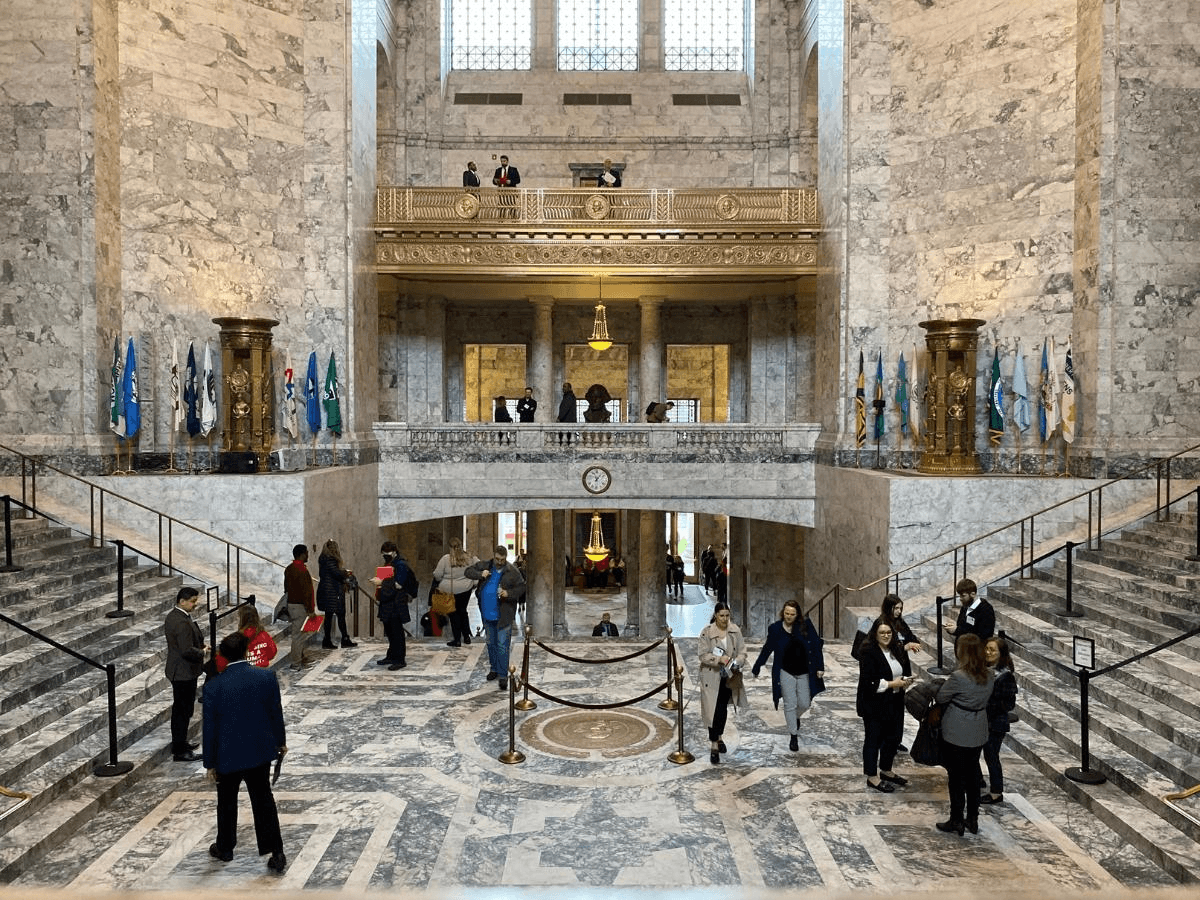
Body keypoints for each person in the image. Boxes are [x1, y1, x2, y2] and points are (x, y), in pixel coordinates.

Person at [202, 631, 287, 874]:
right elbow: (275, 714)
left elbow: (210, 729)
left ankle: (225, 848)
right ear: (246, 651)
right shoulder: (266, 677)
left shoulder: (214, 686)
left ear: (223, 656)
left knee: (226, 802)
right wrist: (280, 742)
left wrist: (209, 762)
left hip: (226, 754)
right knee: (263, 801)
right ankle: (277, 852)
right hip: (259, 751)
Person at [935, 633, 996, 835]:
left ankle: (956, 819)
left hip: (957, 730)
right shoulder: (990, 675)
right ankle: (973, 819)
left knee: (956, 776)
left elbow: (942, 696)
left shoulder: (958, 677)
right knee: (972, 775)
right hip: (978, 728)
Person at [752, 599, 826, 752]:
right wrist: (758, 665)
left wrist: (820, 666)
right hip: (785, 671)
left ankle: (795, 718)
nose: (789, 616)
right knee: (789, 704)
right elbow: (768, 648)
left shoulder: (805, 626)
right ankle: (793, 735)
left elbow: (816, 645)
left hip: (805, 671)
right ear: (782, 612)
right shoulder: (776, 629)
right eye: (786, 613)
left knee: (805, 703)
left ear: (797, 614)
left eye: (792, 614)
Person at [856, 617, 914, 792]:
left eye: (889, 632)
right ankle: (872, 776)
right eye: (882, 632)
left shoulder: (897, 649)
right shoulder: (868, 652)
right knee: (874, 739)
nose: (886, 635)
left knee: (894, 737)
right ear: (875, 634)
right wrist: (891, 684)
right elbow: (868, 682)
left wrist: (905, 680)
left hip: (895, 701)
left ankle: (886, 770)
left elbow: (904, 669)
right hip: (874, 703)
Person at [465, 546, 527, 689]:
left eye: (502, 560)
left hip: (503, 615)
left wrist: (508, 593)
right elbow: (468, 571)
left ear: (506, 558)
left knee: (502, 646)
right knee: (491, 643)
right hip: (487, 613)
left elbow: (522, 588)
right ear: (494, 556)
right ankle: (494, 669)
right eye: (497, 559)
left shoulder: (512, 571)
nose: (499, 562)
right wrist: (481, 574)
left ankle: (503, 675)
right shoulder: (485, 565)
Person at [698, 603, 747, 765]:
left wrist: (738, 661)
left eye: (727, 615)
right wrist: (719, 659)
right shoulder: (707, 632)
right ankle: (714, 745)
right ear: (716, 615)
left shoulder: (735, 630)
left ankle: (719, 738)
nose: (725, 619)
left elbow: (742, 651)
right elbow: (703, 655)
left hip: (729, 676)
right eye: (721, 616)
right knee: (714, 709)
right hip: (711, 677)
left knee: (722, 708)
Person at [165, 586, 205, 762]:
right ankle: (180, 750)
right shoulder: (180, 621)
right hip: (182, 671)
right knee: (182, 710)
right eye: (192, 601)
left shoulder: (177, 616)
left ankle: (181, 742)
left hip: (183, 670)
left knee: (184, 709)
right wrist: (203, 652)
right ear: (182, 601)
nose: (194, 605)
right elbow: (186, 650)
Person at [981, 635, 1018, 805]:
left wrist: (989, 705)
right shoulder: (985, 668)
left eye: (992, 650)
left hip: (995, 723)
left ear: (1001, 653)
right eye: (987, 649)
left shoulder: (1006, 676)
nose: (988, 652)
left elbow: (1009, 703)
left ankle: (996, 792)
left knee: (991, 756)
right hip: (982, 720)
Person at [371, 541, 417, 670]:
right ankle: (391, 655)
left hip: (396, 602)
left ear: (394, 551)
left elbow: (399, 584)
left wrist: (381, 581)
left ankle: (400, 659)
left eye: (387, 553)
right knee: (389, 630)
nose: (385, 555)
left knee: (396, 631)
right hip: (388, 601)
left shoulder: (401, 564)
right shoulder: (390, 563)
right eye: (383, 553)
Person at [434, 537, 480, 648]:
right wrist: (474, 582)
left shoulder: (446, 559)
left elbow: (437, 575)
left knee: (453, 614)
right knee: (463, 612)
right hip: (466, 590)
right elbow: (479, 567)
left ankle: (457, 640)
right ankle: (467, 637)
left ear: (450, 547)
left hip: (449, 591)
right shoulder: (469, 558)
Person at [316, 539, 356, 649]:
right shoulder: (330, 559)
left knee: (329, 616)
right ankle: (344, 639)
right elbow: (336, 573)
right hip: (333, 592)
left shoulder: (322, 559)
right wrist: (345, 572)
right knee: (340, 614)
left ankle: (328, 640)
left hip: (326, 591)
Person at [215, 604, 277, 672]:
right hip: (262, 673)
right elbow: (272, 653)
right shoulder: (264, 636)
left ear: (241, 619)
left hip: (243, 675)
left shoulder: (237, 639)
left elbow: (222, 663)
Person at [283, 544, 316, 669]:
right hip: (299, 607)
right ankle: (296, 663)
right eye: (307, 552)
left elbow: (286, 588)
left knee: (300, 634)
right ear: (302, 554)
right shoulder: (301, 570)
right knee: (298, 636)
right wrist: (310, 610)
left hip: (292, 605)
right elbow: (306, 593)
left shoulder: (289, 568)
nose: (308, 555)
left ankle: (301, 658)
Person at [944, 578, 995, 643]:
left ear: (972, 594)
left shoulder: (985, 609)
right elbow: (962, 626)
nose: (960, 599)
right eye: (960, 596)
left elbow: (983, 634)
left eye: (963, 596)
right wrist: (953, 628)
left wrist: (957, 630)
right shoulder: (965, 606)